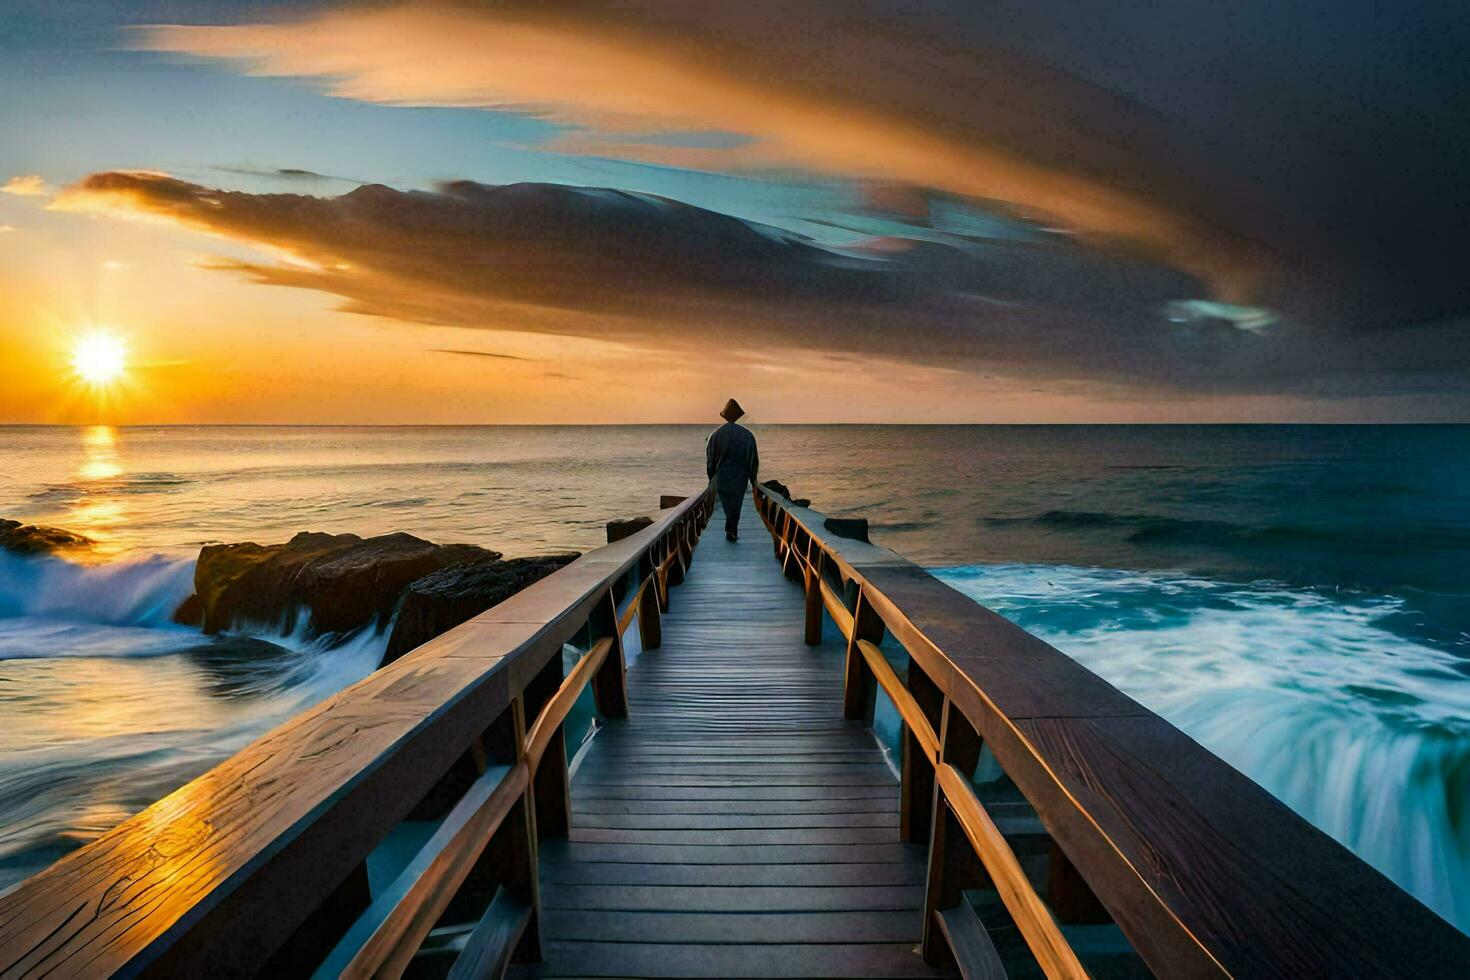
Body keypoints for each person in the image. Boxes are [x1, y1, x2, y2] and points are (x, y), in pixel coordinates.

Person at [705, 398, 759, 542]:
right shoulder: (748, 435)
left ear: (724, 415)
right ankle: (732, 529)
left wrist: (711, 478)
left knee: (726, 504)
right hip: (740, 478)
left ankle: (730, 527)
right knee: (737, 504)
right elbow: (753, 460)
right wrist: (753, 479)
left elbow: (710, 461)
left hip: (722, 477)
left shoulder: (715, 435)